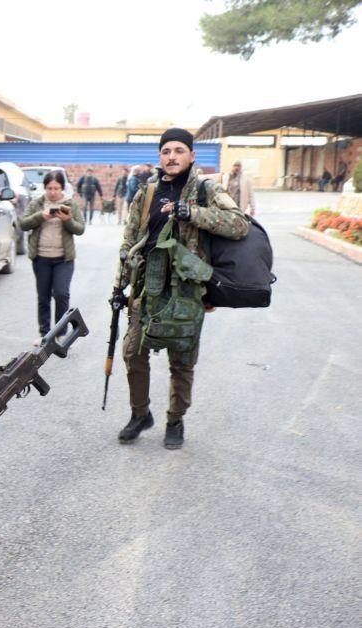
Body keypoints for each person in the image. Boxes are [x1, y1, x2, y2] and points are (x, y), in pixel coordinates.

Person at [113, 128, 248, 450]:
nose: (171, 157)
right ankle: (140, 414)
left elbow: (239, 224)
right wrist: (121, 285)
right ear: (159, 156)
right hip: (147, 288)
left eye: (178, 150)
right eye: (166, 151)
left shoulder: (205, 190)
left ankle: (175, 419)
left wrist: (192, 213)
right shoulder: (146, 193)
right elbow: (130, 242)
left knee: (182, 361)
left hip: (187, 291)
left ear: (191, 155)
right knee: (133, 353)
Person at [17, 171, 85, 341]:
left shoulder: (70, 204)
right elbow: (23, 224)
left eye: (57, 188)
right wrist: (41, 216)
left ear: (62, 188)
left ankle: (60, 333)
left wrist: (67, 220)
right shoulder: (37, 203)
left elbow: (80, 229)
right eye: (49, 188)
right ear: (44, 188)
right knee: (43, 296)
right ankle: (45, 334)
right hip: (41, 258)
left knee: (61, 294)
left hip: (64, 259)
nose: (53, 192)